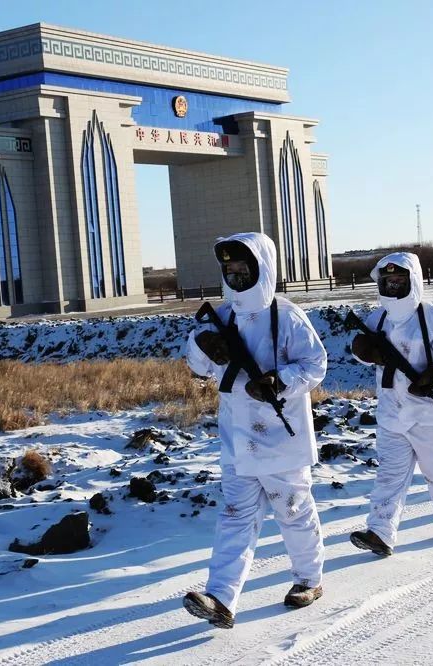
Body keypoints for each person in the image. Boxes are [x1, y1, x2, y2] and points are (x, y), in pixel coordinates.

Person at [182, 232, 328, 629]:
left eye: (244, 270)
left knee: (294, 513)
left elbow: (316, 364)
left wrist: (279, 382)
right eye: (229, 270)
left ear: (262, 269)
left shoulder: (287, 315)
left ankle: (309, 579)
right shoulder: (222, 317)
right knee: (234, 517)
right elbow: (197, 369)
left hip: (282, 440)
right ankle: (221, 597)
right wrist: (203, 346)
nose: (236, 277)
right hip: (237, 439)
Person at [347, 252, 433, 556]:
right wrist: (362, 350)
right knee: (389, 475)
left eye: (400, 280)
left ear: (412, 281)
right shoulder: (379, 318)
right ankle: (380, 532)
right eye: (388, 281)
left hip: (428, 411)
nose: (394, 286)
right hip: (391, 412)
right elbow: (359, 348)